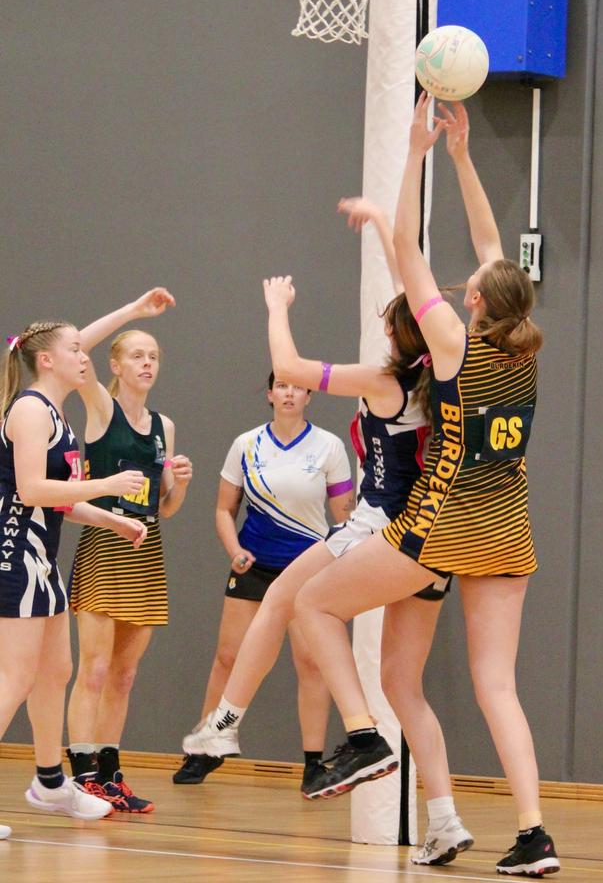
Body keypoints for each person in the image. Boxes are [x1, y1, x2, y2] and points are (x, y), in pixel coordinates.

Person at [287, 96, 560, 877]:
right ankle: (531, 831)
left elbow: (407, 244)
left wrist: (415, 152)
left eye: (471, 282)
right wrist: (466, 158)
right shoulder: (521, 350)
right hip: (508, 532)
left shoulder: (451, 345)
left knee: (312, 602)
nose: (466, 278)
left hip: (436, 529)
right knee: (493, 686)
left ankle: (363, 735)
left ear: (475, 300)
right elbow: (492, 249)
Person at [181, 205, 474, 866]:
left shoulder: (385, 381)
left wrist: (276, 306)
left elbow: (287, 367)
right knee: (405, 683)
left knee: (296, 598)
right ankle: (447, 818)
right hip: (435, 542)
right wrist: (384, 226)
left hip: (388, 525)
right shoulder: (442, 382)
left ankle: (288, 727)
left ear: (398, 334)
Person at [0, 321, 147, 839]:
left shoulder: (56, 414)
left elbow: (60, 497)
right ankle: (48, 782)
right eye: (76, 348)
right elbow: (32, 488)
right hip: (15, 555)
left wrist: (111, 517)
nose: (84, 356)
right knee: (13, 679)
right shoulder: (30, 410)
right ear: (47, 360)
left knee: (54, 671)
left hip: (43, 558)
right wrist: (108, 483)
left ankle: (48, 783)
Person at [175, 372, 354, 791]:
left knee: (311, 664)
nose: (289, 393)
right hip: (254, 568)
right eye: (282, 386)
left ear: (309, 394)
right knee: (228, 658)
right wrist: (234, 550)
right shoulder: (245, 444)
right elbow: (224, 509)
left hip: (308, 571)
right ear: (270, 393)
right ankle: (203, 750)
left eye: (298, 386)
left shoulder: (329, 446)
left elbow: (345, 516)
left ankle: (313, 764)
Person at [66, 288, 192, 813]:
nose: (147, 363)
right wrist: (134, 312)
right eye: (137, 354)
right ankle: (81, 775)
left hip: (146, 547)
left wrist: (180, 482)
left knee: (124, 673)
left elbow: (165, 508)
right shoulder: (99, 404)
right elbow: (76, 350)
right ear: (115, 364)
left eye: (154, 357)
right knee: (93, 669)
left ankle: (111, 774)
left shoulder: (163, 426)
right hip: (102, 541)